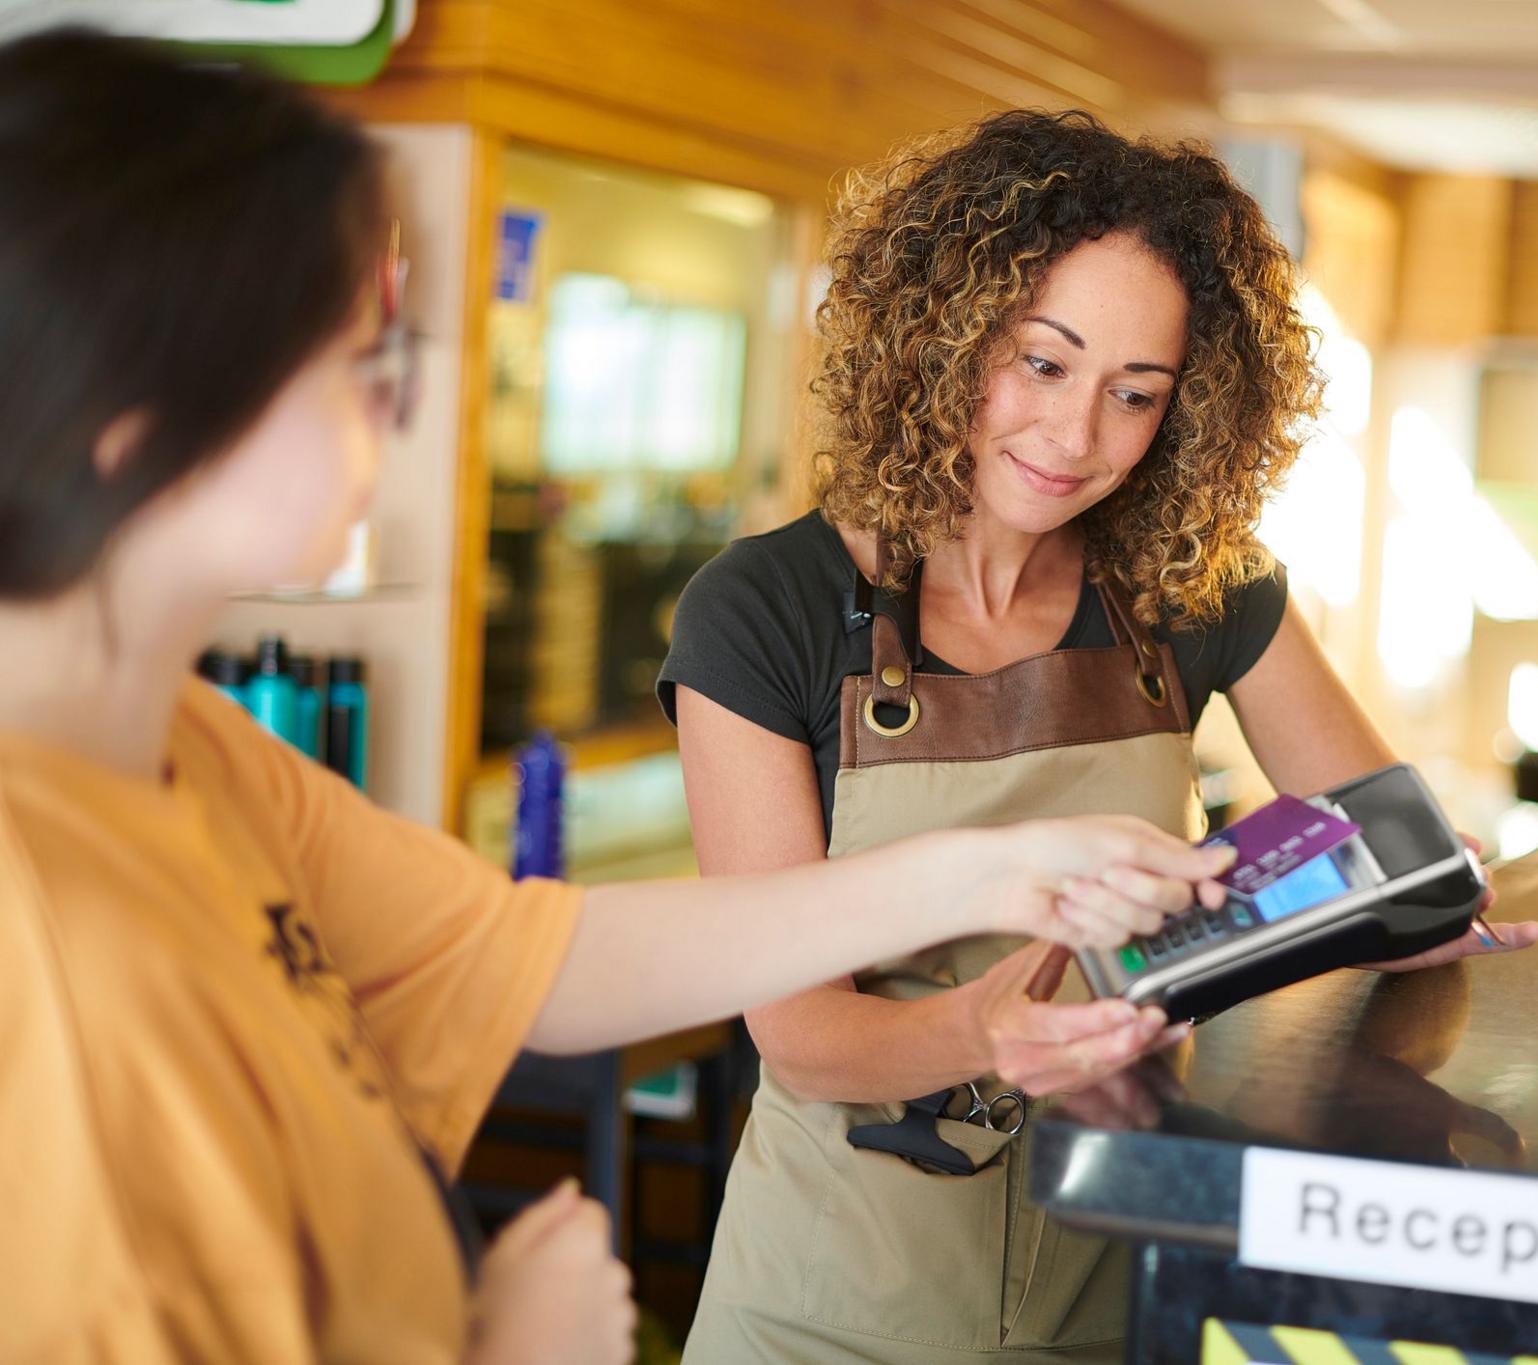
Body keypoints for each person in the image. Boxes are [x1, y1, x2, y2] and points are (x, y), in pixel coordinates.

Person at [0, 32, 1234, 1365]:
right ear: (133, 423)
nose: (400, 417)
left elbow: (540, 959)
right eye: (359, 369)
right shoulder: (31, 889)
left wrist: (999, 873)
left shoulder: (197, 758)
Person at [663, 108, 1538, 1363]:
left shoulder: (1201, 592)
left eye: (1134, 394)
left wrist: (1402, 903)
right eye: (1039, 364)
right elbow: (802, 1036)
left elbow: (1376, 841)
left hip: (1105, 1287)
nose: (1075, 437)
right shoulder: (767, 611)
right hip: (829, 1304)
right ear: (940, 337)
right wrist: (991, 1033)